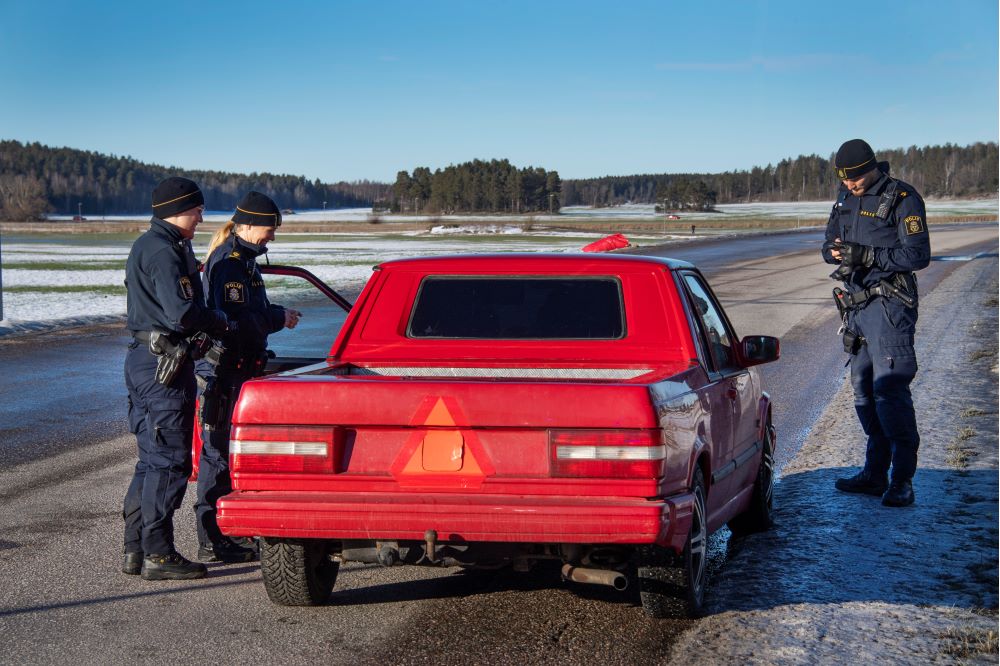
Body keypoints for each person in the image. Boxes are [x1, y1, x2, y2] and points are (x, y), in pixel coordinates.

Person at [123, 176, 231, 579]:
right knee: (167, 461)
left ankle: (136, 549)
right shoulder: (163, 250)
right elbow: (181, 313)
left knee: (150, 460)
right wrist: (218, 320)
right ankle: (158, 553)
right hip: (162, 365)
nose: (202, 218)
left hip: (147, 359)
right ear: (179, 208)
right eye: (198, 210)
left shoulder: (158, 244)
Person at [822, 139, 930, 507]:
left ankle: (902, 481)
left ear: (872, 168)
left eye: (855, 179)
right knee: (863, 391)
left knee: (890, 392)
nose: (850, 185)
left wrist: (867, 254)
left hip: (889, 307)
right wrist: (835, 251)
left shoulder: (902, 198)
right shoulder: (845, 197)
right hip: (855, 307)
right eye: (845, 180)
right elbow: (828, 244)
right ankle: (873, 474)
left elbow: (918, 255)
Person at [194, 191, 301, 562]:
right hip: (225, 369)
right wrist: (276, 319)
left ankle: (227, 531)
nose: (272, 236)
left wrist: (276, 312)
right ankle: (212, 537)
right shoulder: (230, 264)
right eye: (270, 229)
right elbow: (236, 322)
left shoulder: (247, 263)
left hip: (242, 366)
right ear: (249, 224)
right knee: (218, 454)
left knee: (229, 453)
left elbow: (253, 310)